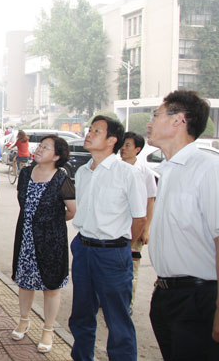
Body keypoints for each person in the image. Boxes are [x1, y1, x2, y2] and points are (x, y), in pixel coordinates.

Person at [146, 90, 219, 360]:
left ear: (179, 120)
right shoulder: (168, 170)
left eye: (156, 115)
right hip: (166, 295)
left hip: (198, 298)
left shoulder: (208, 168)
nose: (149, 123)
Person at [68, 115, 146, 361]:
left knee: (117, 318)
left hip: (112, 252)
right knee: (81, 315)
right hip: (83, 248)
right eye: (90, 129)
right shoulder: (83, 172)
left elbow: (139, 219)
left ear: (112, 140)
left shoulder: (127, 173)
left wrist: (121, 247)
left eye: (96, 131)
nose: (88, 134)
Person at [11, 135, 76, 353]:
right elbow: (23, 202)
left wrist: (51, 222)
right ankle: (23, 320)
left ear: (56, 156)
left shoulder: (61, 178)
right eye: (40, 145)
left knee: (51, 286)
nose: (39, 149)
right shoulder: (26, 173)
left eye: (45, 147)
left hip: (52, 240)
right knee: (25, 282)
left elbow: (72, 211)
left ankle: (48, 330)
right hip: (26, 237)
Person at [119, 131, 157, 314]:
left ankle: (128, 303)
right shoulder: (115, 169)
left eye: (127, 145)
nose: (123, 148)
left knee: (131, 268)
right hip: (116, 228)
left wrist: (146, 229)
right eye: (122, 144)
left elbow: (150, 201)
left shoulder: (145, 172)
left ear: (138, 149)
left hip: (135, 227)